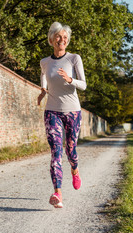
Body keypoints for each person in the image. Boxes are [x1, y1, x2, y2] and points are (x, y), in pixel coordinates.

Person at [37, 22, 87, 208]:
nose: (62, 40)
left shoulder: (74, 58)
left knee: (70, 149)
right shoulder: (45, 62)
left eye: (65, 38)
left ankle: (75, 170)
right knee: (55, 152)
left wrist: (70, 79)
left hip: (73, 111)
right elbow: (44, 76)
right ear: (51, 39)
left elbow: (84, 85)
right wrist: (43, 90)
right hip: (52, 111)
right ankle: (57, 193)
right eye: (59, 37)